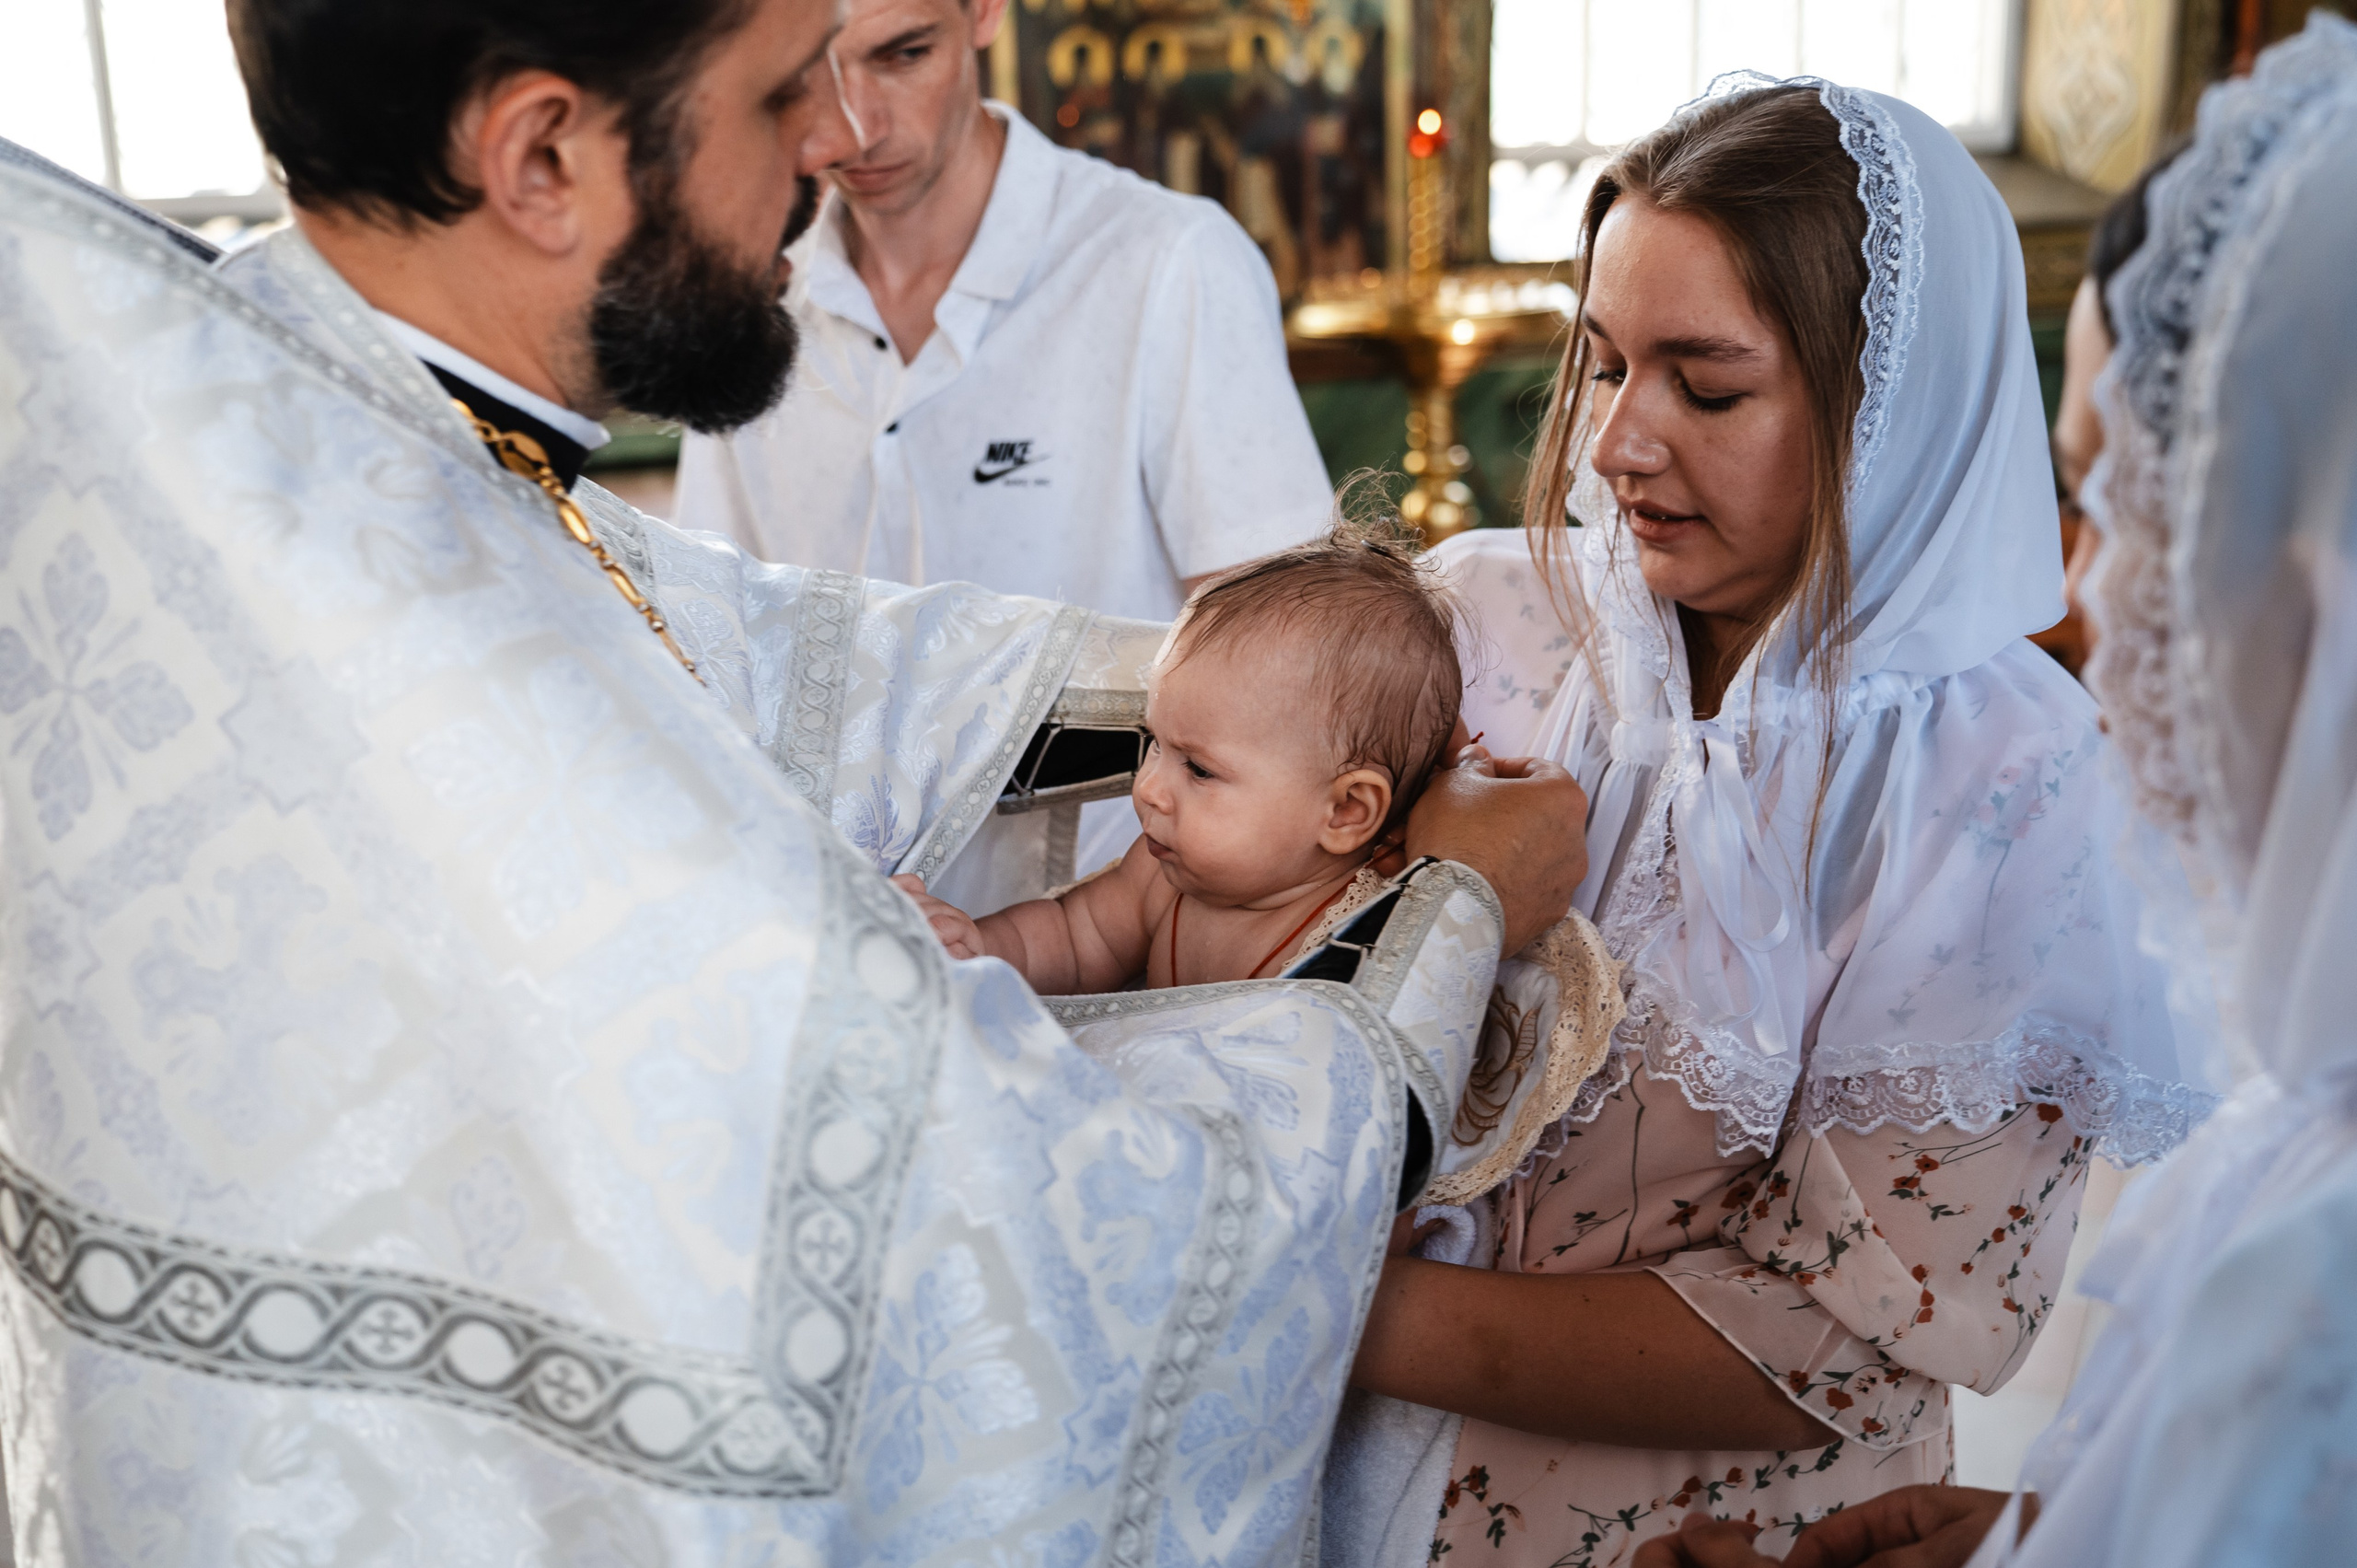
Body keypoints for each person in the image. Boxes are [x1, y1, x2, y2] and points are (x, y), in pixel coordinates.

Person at [0, 2, 1593, 1561]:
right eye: (775, 101)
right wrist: (1442, 914)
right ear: (543, 153)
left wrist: (1299, 712)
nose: (825, 150)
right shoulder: (456, 674)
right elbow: (1068, 1269)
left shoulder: (314, 440)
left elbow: (776, 648)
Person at [1317, 75, 2212, 1567]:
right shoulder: (1480, 615)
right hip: (1331, 1492)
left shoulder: (2003, 782)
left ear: (1888, 413)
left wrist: (1308, 1294)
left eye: (1706, 387)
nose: (1615, 444)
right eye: (1600, 364)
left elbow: (1844, 1336)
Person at [1632, 16, 2357, 1567]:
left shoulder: (2326, 1257)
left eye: (2108, 500)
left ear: (2307, 575)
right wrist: (2038, 1534)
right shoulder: (2301, 1124)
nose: (2080, 577)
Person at [673, 0, 1336, 883]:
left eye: (903, 55)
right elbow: (701, 641)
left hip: (1105, 929)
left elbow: (1296, 668)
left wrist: (1107, 932)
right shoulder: (746, 295)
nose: (854, 127)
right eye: (810, 74)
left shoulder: (1168, 263)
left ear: (983, 11)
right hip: (824, 919)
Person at [898, 528, 1466, 990]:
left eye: (1198, 769)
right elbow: (1072, 939)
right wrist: (976, 949)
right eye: (1154, 745)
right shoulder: (1162, 879)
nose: (1147, 789)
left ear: (1345, 811)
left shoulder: (1362, 933)